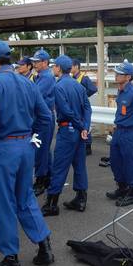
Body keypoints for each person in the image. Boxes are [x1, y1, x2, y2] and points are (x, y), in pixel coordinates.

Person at [0, 39, 54, 266]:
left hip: (1, 149)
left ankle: (11, 257)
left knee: (3, 203)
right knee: (26, 197)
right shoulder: (27, 82)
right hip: (25, 148)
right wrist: (34, 138)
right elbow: (45, 116)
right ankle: (44, 245)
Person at [41, 55, 92, 215]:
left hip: (67, 130)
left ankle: (52, 203)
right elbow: (87, 108)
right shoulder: (78, 86)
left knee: (59, 167)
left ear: (59, 68)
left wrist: (79, 124)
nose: (52, 69)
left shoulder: (59, 86)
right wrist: (84, 127)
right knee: (80, 166)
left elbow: (66, 111)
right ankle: (81, 199)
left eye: (54, 66)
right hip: (79, 131)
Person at [105, 59, 133, 207]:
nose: (116, 75)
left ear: (128, 77)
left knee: (130, 164)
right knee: (116, 162)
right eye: (116, 72)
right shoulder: (120, 90)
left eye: (120, 73)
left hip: (130, 133)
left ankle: (132, 193)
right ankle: (122, 188)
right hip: (119, 132)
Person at [30, 49, 56, 196]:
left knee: (40, 150)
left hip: (43, 119)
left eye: (37, 62)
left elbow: (34, 95)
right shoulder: (40, 76)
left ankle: (41, 181)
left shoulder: (46, 77)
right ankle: (47, 178)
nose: (34, 64)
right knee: (44, 150)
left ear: (45, 62)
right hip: (41, 118)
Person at [72, 58, 98, 155]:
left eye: (71, 66)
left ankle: (88, 145)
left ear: (76, 67)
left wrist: (84, 96)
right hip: (75, 106)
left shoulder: (84, 78)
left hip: (82, 106)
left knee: (85, 124)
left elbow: (93, 89)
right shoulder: (72, 78)